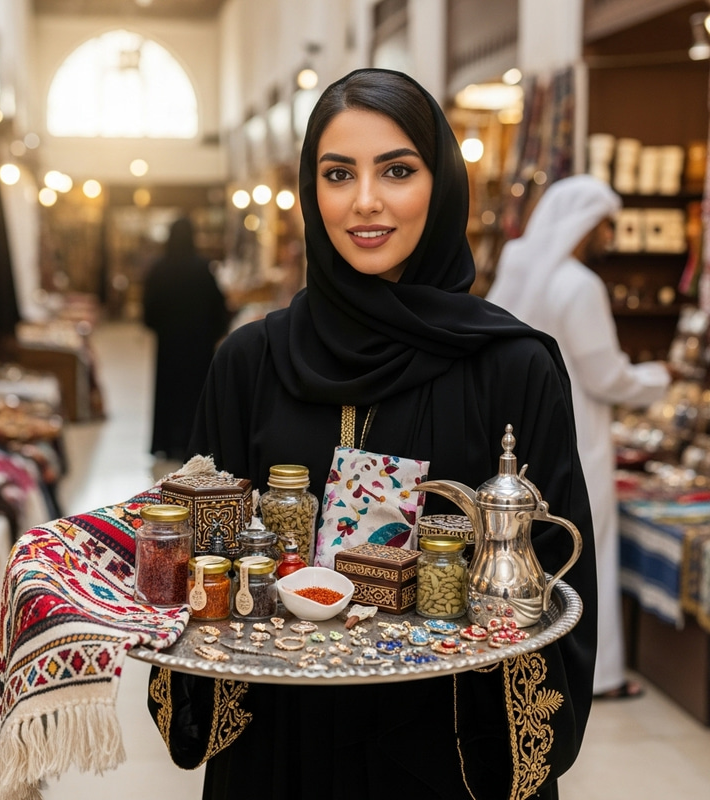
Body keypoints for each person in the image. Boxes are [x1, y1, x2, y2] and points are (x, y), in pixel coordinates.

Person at [148, 69, 597, 799]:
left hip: (446, 753)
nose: (365, 201)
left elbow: (553, 574)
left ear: (442, 182)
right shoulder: (249, 364)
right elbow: (205, 556)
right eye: (337, 173)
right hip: (279, 749)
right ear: (309, 189)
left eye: (397, 170)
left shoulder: (512, 368)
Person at [487, 174, 672, 700]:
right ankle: (602, 673)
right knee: (588, 546)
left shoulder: (522, 267)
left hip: (521, 435)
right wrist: (658, 378)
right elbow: (605, 375)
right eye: (606, 225)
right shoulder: (577, 284)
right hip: (580, 432)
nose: (610, 237)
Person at [142, 217, 228, 462]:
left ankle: (167, 443)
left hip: (169, 344)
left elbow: (149, 311)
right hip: (198, 346)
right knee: (195, 394)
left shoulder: (159, 269)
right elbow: (218, 308)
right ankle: (193, 442)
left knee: (169, 393)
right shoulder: (202, 268)